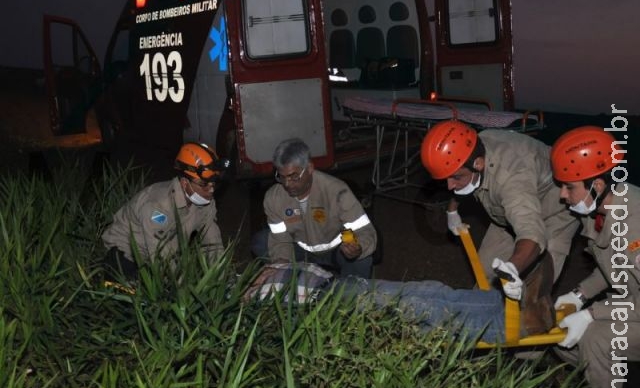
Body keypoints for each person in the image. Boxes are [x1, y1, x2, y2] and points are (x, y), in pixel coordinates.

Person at [420, 120, 579, 300]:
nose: (450, 186)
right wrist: (452, 210)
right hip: (506, 210)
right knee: (485, 274)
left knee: (535, 290)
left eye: (456, 177)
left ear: (478, 164)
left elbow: (532, 233)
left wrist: (513, 268)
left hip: (555, 209)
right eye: (446, 179)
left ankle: (528, 324)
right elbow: (460, 181)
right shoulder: (470, 147)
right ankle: (479, 320)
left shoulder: (512, 178)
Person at [242, 255, 555, 344]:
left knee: (433, 290)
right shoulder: (244, 298)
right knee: (425, 312)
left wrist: (270, 269)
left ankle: (510, 306)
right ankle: (516, 327)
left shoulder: (270, 267)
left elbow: (313, 268)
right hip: (332, 307)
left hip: (342, 286)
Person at [550, 125, 639, 388]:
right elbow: (615, 268)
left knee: (596, 339)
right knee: (563, 334)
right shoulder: (595, 209)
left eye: (568, 187)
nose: (562, 195)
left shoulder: (635, 225)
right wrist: (580, 295)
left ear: (597, 185)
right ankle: (621, 381)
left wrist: (592, 314)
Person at [102, 142, 230, 279]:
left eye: (214, 184)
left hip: (161, 252)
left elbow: (212, 245)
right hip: (126, 253)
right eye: (204, 184)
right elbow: (161, 258)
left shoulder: (205, 203)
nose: (210, 190)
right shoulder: (158, 207)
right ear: (184, 183)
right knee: (153, 293)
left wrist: (225, 280)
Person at [255, 138, 377, 278]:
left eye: (294, 177)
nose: (287, 184)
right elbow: (280, 239)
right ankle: (295, 282)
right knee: (261, 241)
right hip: (300, 250)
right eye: (282, 177)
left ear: (310, 168)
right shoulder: (274, 197)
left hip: (336, 250)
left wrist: (357, 248)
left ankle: (349, 294)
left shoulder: (337, 192)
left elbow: (365, 231)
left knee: (362, 259)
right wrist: (280, 262)